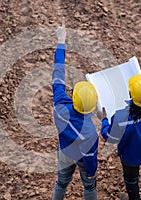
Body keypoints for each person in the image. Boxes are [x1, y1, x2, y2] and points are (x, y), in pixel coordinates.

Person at [52, 18, 99, 200]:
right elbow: (90, 156)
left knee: (61, 182)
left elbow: (58, 73)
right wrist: (91, 173)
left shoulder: (60, 105)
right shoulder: (89, 131)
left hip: (64, 152)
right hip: (81, 158)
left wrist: (61, 41)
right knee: (89, 186)